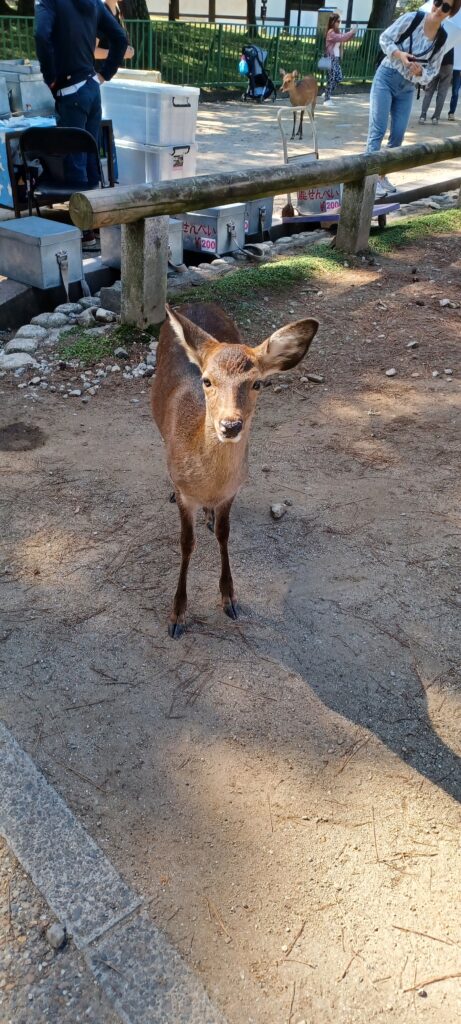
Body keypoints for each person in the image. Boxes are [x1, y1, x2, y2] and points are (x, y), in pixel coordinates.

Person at [35, 0, 127, 246]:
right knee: (90, 153)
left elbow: (41, 36)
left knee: (76, 157)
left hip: (70, 89)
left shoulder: (50, 3)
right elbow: (120, 37)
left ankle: (85, 229)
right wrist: (105, 74)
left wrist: (50, 77)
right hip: (91, 87)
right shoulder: (93, 3)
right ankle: (95, 224)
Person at [366, 0, 461, 197]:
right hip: (386, 76)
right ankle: (370, 179)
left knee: (398, 134)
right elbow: (385, 38)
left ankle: (382, 177)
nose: (438, 8)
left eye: (445, 7)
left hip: (408, 87)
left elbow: (433, 70)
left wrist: (420, 73)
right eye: (437, 2)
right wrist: (399, 54)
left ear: (450, 13)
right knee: (378, 130)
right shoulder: (413, 18)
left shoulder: (441, 38)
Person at [323, 14, 358, 107]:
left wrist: (353, 33)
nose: (339, 23)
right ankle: (327, 98)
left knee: (339, 77)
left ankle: (327, 92)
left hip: (335, 58)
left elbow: (344, 39)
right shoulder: (331, 32)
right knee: (332, 77)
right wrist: (351, 32)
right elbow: (341, 37)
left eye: (340, 21)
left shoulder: (337, 31)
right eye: (338, 21)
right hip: (329, 58)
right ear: (332, 22)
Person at [94, 0, 134, 75]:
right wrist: (118, 53)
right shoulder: (101, 14)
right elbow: (91, 52)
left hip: (107, 74)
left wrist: (127, 50)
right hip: (96, 76)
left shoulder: (116, 12)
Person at [419, 47, 454, 123]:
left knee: (429, 91)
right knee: (442, 93)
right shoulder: (454, 36)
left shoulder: (438, 35)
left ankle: (423, 115)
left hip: (434, 64)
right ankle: (436, 117)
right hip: (448, 64)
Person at [448, 43, 461, 117]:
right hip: (455, 68)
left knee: (455, 92)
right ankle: (451, 112)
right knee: (455, 92)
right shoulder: (455, 36)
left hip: (457, 68)